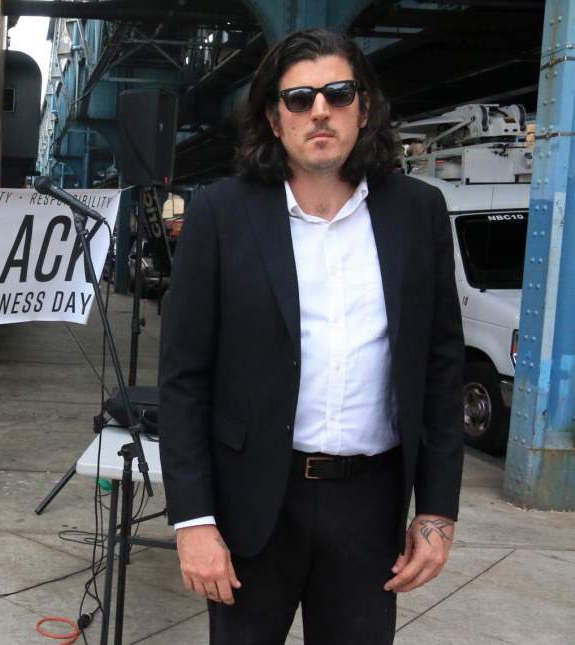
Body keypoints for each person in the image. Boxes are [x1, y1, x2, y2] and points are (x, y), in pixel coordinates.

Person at [158, 27, 464, 644]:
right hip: (253, 505)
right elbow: (184, 378)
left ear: (364, 108)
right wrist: (192, 520)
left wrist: (436, 510)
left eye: (338, 93)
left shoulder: (418, 211)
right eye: (298, 99)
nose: (319, 110)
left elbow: (440, 366)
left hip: (371, 507)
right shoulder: (221, 213)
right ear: (275, 119)